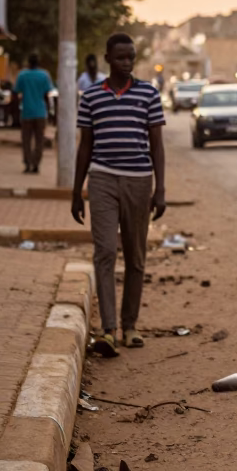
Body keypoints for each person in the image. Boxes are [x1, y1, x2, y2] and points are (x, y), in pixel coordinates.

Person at [71, 33, 166, 356]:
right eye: (121, 57)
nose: (127, 63)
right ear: (108, 58)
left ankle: (130, 326)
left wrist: (161, 188)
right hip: (102, 179)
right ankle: (108, 329)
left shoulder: (148, 94)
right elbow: (85, 146)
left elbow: (157, 145)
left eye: (131, 58)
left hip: (140, 181)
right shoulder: (91, 97)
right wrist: (76, 190)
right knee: (106, 251)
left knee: (136, 256)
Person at [14, 54, 54, 174]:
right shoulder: (44, 75)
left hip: (27, 112)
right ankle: (36, 164)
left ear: (28, 63)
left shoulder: (22, 75)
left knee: (26, 140)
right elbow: (47, 95)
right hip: (40, 112)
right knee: (39, 140)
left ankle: (27, 163)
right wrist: (49, 110)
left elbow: (16, 92)